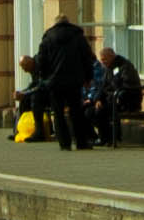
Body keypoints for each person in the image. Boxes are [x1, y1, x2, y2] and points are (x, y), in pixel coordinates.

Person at [28, 12, 96, 150]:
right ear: (68, 22)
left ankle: (64, 143)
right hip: (74, 81)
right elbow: (87, 58)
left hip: (55, 82)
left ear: (55, 23)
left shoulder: (48, 38)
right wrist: (88, 78)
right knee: (76, 111)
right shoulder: (78, 36)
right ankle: (81, 142)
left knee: (58, 113)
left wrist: (44, 77)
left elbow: (41, 60)